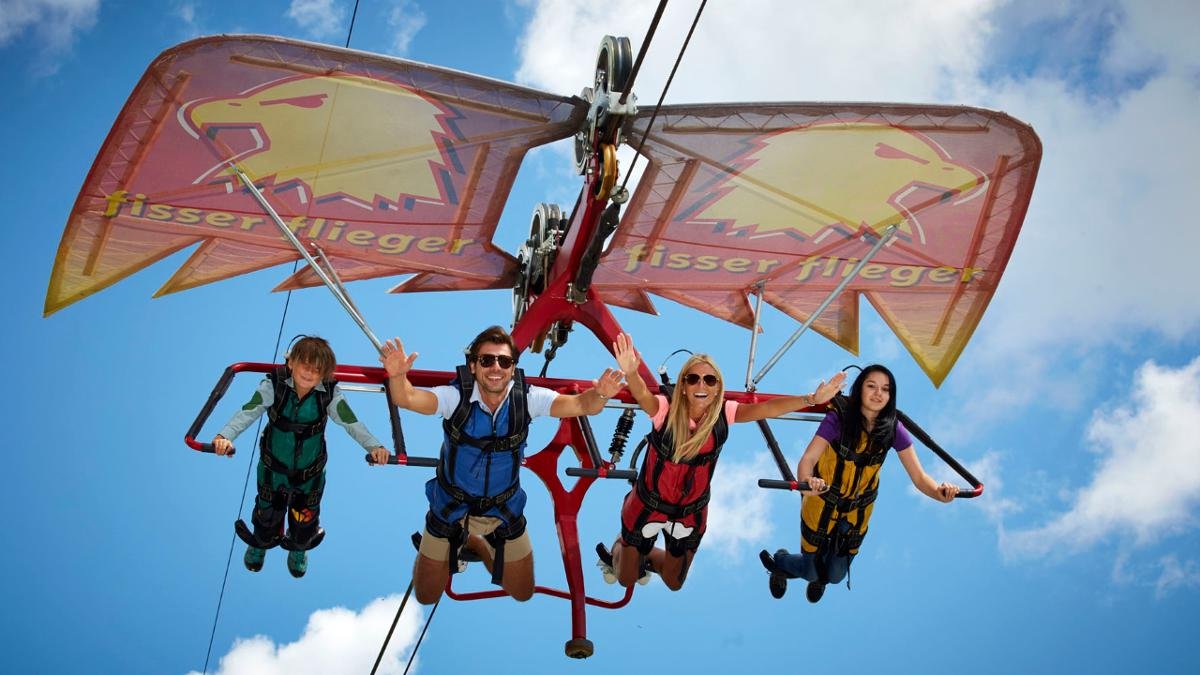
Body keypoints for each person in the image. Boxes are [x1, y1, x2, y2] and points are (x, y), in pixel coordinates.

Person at [380, 325, 624, 605]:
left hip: (503, 509)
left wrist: (601, 394)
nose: (496, 367)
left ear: (512, 368)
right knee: (426, 596)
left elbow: (582, 405)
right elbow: (406, 398)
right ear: (473, 366)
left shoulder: (526, 400)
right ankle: (462, 537)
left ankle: (478, 544)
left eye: (504, 361)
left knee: (522, 592)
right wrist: (398, 377)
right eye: (487, 360)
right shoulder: (455, 398)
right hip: (450, 507)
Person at [597, 333, 846, 591]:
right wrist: (631, 373)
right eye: (693, 379)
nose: (701, 385)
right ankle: (622, 547)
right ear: (683, 385)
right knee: (626, 579)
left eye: (709, 380)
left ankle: (643, 556)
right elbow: (642, 395)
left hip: (689, 512)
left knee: (674, 583)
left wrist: (811, 399)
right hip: (648, 504)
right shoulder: (666, 410)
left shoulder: (724, 414)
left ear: (717, 388)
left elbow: (767, 408)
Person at [759, 364, 958, 603]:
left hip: (855, 513)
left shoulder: (893, 429)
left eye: (885, 389)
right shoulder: (838, 419)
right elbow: (808, 459)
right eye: (871, 386)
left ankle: (821, 577)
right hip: (821, 501)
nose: (878, 394)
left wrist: (939, 492)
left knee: (834, 575)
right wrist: (806, 482)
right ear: (859, 389)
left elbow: (919, 477)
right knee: (812, 570)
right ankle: (782, 562)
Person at [213, 336, 390, 578]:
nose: (309, 373)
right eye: (305, 364)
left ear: (324, 374)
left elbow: (350, 421)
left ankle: (299, 547)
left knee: (305, 518)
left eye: (317, 370)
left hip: (310, 473)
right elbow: (249, 410)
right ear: (291, 363)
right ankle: (261, 542)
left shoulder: (328, 394)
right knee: (267, 512)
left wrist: (373, 446)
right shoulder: (273, 386)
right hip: (273, 468)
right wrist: (225, 436)